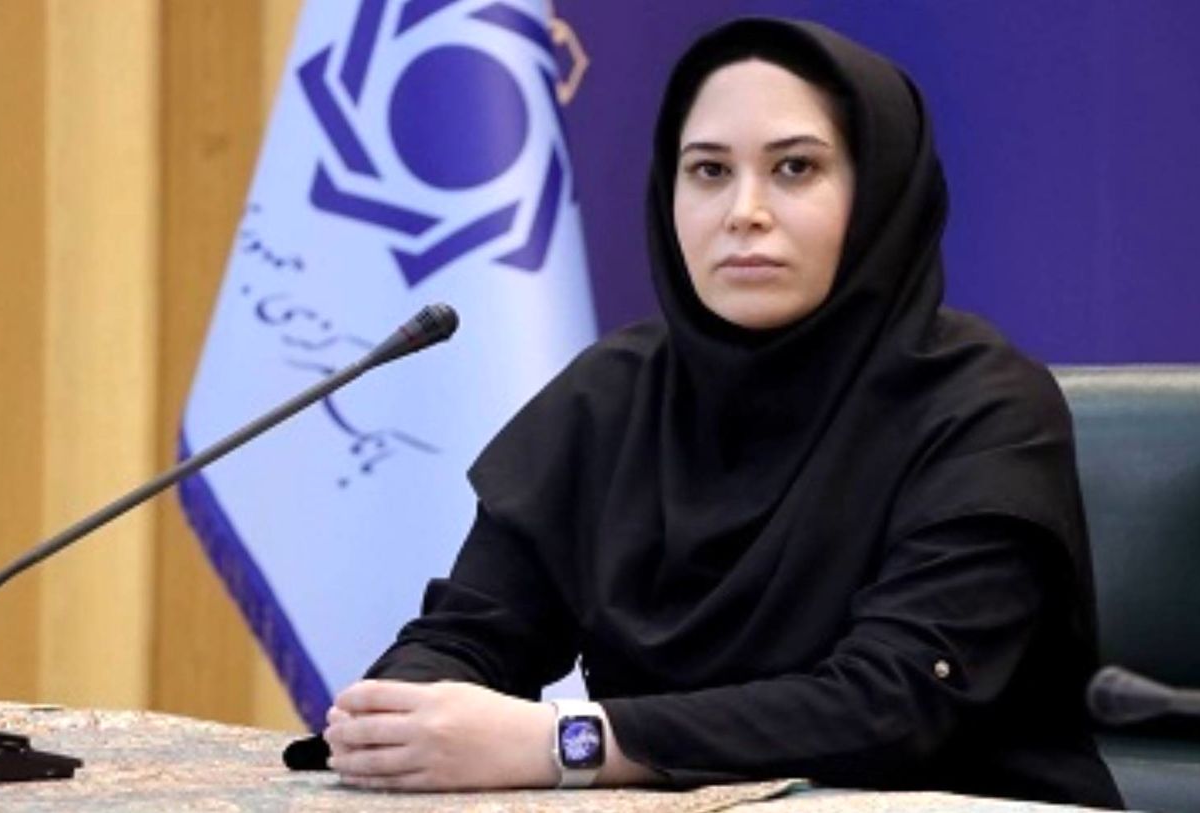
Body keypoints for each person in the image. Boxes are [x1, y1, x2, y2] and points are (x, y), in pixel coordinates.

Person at [312, 17, 1124, 807]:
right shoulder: (613, 393)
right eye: (708, 170)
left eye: (796, 168)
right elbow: (474, 630)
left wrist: (567, 741)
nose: (744, 211)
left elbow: (893, 701)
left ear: (878, 190)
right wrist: (400, 715)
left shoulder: (985, 408)